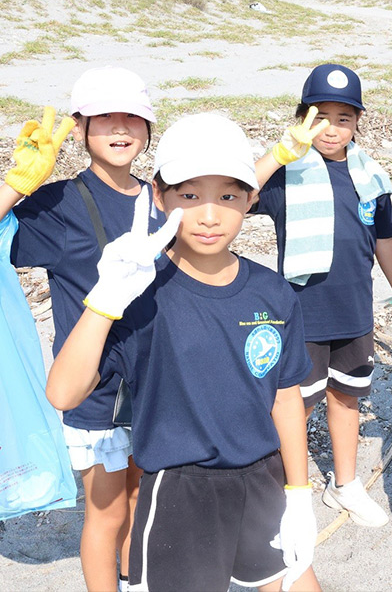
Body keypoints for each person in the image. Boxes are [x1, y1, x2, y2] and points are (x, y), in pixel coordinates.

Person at [45, 113, 321, 592]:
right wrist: (105, 301)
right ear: (159, 195)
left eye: (229, 196)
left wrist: (298, 494)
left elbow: (284, 397)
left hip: (263, 480)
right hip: (178, 492)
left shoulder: (272, 292)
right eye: (189, 195)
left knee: (290, 582)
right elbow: (64, 393)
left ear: (252, 199)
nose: (209, 216)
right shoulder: (140, 294)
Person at [0, 66, 161, 592]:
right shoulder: (59, 203)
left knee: (141, 498)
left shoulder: (162, 195)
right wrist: (17, 184)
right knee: (105, 513)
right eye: (106, 118)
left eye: (133, 117)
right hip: (95, 388)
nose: (121, 128)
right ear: (81, 127)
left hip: (157, 379)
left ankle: (134, 579)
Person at [253, 63, 392, 528]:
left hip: (354, 312)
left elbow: (384, 243)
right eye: (319, 117)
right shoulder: (285, 173)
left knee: (347, 397)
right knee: (296, 403)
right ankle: (276, 489)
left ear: (358, 123)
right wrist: (278, 154)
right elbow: (234, 193)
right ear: (301, 118)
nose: (331, 129)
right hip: (302, 315)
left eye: (344, 118)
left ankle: (346, 485)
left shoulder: (370, 176)